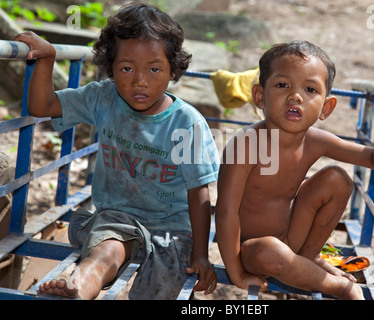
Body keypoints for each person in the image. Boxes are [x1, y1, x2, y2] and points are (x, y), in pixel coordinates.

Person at [13, 3, 219, 300]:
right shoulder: (103, 97)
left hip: (173, 230)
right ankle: (79, 286)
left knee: (160, 291)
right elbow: (41, 106)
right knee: (104, 251)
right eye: (126, 68)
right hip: (117, 218)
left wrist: (201, 254)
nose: (139, 80)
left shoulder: (187, 123)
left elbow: (199, 193)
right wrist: (47, 59)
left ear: (173, 69)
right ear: (110, 68)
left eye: (154, 68)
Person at [215, 41, 374, 300]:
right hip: (252, 250)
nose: (296, 96)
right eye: (282, 85)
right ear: (260, 96)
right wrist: (236, 273)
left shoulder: (316, 141)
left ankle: (308, 258)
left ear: (326, 108)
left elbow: (370, 156)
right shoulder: (245, 145)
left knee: (337, 179)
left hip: (291, 238)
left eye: (310, 89)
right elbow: (226, 212)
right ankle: (336, 286)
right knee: (271, 252)